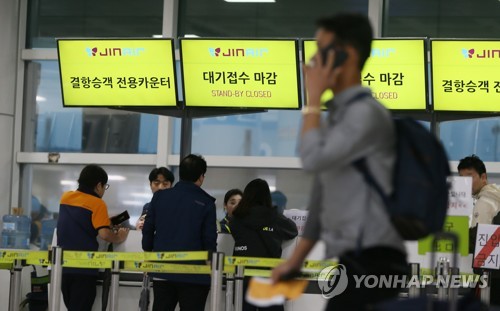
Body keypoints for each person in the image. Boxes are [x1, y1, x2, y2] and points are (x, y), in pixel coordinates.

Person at [271, 13, 407, 310]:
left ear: (350, 54)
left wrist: (313, 100)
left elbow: (312, 159)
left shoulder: (365, 115)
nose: (313, 61)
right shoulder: (341, 116)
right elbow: (321, 196)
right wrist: (295, 261)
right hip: (357, 259)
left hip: (377, 263)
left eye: (322, 50)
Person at [142, 154, 217, 311]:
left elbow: (148, 229)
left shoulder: (159, 197)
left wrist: (149, 253)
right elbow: (209, 239)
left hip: (163, 270)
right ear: (201, 177)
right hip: (195, 274)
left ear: (180, 174)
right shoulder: (206, 202)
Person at [57, 164, 129, 311]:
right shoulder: (98, 203)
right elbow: (104, 234)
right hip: (84, 269)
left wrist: (106, 221)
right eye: (105, 186)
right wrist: (119, 237)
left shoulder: (66, 198)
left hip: (64, 267)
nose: (104, 190)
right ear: (98, 185)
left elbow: (80, 220)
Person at [229, 178, 298, 311]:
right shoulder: (274, 217)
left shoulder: (236, 219)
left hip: (242, 280)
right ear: (267, 196)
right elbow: (293, 230)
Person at [458, 154, 500, 306]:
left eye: (470, 177)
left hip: (490, 275)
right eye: (462, 178)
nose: (466, 183)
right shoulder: (495, 195)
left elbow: (478, 237)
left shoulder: (486, 201)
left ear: (483, 177)